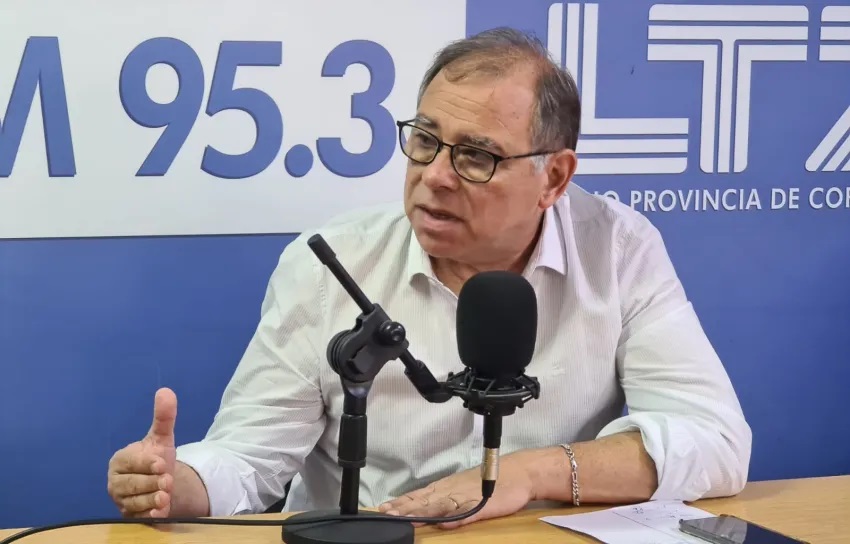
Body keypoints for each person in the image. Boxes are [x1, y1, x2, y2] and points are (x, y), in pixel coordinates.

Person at [106, 27, 752, 529]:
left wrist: (528, 474)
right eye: (424, 140)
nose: (435, 176)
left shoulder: (617, 248)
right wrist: (178, 483)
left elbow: (716, 441)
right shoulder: (332, 263)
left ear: (553, 178)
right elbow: (250, 457)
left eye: (476, 156)